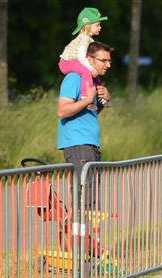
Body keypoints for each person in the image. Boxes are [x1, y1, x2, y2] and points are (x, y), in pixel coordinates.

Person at [57, 41, 113, 181]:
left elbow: (89, 111)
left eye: (109, 61)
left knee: (90, 195)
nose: (108, 65)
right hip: (78, 144)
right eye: (103, 60)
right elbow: (62, 111)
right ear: (89, 59)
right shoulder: (74, 78)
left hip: (90, 144)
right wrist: (88, 99)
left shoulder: (93, 81)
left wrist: (104, 101)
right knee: (86, 196)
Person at [59, 7, 108, 104]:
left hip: (76, 61)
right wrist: (91, 68)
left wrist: (94, 69)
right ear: (87, 26)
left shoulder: (90, 40)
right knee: (86, 71)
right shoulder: (84, 39)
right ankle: (85, 97)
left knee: (96, 73)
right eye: (97, 25)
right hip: (67, 62)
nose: (100, 27)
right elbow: (81, 56)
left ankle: (100, 96)